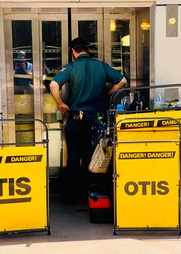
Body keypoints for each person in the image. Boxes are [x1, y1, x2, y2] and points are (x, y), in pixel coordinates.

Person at [49, 37, 127, 203]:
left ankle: (71, 194)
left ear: (73, 51)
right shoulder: (101, 66)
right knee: (93, 155)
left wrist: (60, 103)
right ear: (86, 50)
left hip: (76, 119)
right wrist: (107, 93)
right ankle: (93, 192)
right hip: (96, 119)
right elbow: (122, 81)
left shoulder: (71, 67)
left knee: (73, 156)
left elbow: (53, 85)